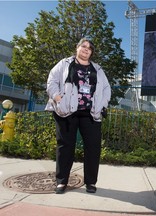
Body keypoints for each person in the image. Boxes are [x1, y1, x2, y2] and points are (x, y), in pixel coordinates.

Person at [45, 38, 111, 194]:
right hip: (67, 111)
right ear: (77, 48)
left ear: (92, 52)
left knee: (93, 148)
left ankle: (90, 182)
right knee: (65, 146)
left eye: (89, 48)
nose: (86, 49)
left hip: (91, 113)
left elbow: (107, 88)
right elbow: (52, 81)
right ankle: (61, 182)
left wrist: (103, 104)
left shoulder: (98, 69)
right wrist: (57, 97)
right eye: (83, 46)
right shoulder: (64, 64)